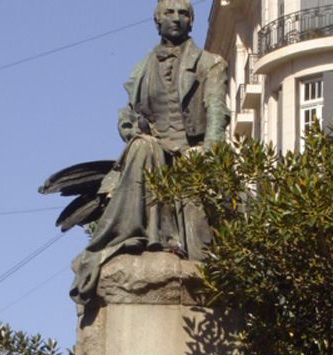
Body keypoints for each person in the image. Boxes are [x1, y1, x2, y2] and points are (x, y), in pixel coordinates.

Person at [69, 0, 230, 304]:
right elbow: (129, 113)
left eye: (183, 14)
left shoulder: (210, 63)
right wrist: (130, 126)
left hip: (190, 151)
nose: (176, 19)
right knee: (142, 146)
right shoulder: (143, 67)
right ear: (157, 21)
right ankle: (127, 234)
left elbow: (217, 113)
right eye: (169, 13)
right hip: (154, 150)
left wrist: (208, 153)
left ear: (191, 23)